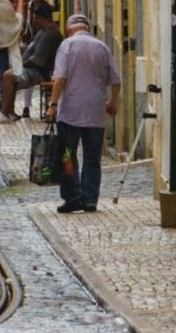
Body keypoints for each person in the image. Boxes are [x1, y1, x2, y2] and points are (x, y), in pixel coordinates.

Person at [47, 13, 122, 213]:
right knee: (92, 157)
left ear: (70, 29)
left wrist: (53, 104)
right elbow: (116, 80)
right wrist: (112, 101)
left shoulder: (67, 46)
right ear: (87, 28)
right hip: (95, 112)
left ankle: (72, 197)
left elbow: (60, 78)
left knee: (67, 156)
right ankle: (90, 200)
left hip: (70, 111)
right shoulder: (102, 47)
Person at [0, 1, 62, 119]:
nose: (34, 20)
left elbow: (38, 60)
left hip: (42, 72)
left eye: (35, 17)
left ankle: (4, 112)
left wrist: (20, 64)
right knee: (8, 72)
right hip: (34, 67)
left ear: (41, 18)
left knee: (8, 75)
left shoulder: (50, 34)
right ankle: (9, 111)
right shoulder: (43, 31)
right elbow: (31, 49)